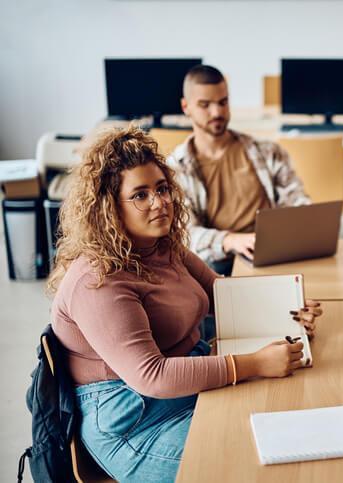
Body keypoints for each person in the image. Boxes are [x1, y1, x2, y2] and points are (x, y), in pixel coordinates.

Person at [48, 127, 321, 482]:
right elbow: (152, 377)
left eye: (162, 189)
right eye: (140, 195)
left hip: (185, 385)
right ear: (108, 208)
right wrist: (253, 364)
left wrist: (290, 309)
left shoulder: (162, 246)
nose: (160, 202)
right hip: (134, 423)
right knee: (251, 461)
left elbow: (222, 295)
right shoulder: (98, 280)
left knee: (286, 427)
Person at [166, 65, 310, 274]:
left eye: (223, 102)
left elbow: (297, 200)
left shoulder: (267, 152)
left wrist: (302, 223)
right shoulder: (175, 168)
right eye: (205, 105)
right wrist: (230, 240)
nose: (217, 112)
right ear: (186, 107)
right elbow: (184, 233)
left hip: (272, 253)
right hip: (218, 260)